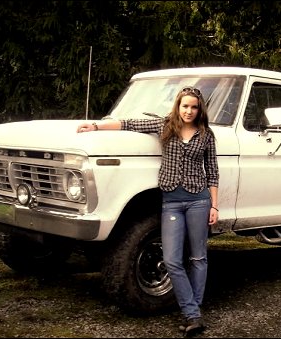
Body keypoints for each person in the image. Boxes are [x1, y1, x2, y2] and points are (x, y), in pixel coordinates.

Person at [77, 86, 219, 335]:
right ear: (178, 106)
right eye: (185, 106)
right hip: (172, 201)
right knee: (173, 260)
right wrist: (97, 127)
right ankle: (193, 310)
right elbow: (129, 123)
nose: (189, 110)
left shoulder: (206, 135)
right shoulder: (165, 126)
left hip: (199, 201)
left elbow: (213, 173)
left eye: (194, 107)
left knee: (198, 258)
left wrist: (214, 205)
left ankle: (192, 312)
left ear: (200, 109)